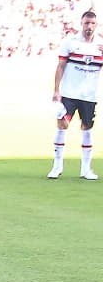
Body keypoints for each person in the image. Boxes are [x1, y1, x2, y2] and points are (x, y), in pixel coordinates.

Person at [49, 10, 100, 180]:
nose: (89, 27)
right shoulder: (70, 42)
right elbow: (61, 66)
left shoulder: (100, 45)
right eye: (86, 23)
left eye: (92, 23)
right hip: (69, 94)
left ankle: (86, 169)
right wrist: (56, 90)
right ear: (81, 23)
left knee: (87, 129)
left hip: (89, 96)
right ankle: (57, 166)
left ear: (96, 25)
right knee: (62, 124)